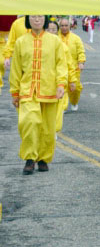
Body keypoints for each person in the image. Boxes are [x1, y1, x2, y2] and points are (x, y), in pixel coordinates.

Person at [9, 15, 67, 174]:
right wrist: (15, 91)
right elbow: (16, 68)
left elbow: (61, 64)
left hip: (49, 90)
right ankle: (30, 158)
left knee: (47, 129)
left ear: (45, 19)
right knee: (29, 123)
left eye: (40, 16)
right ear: (28, 19)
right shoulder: (21, 42)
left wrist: (61, 84)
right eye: (33, 17)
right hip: (27, 91)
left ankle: (43, 159)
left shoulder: (55, 41)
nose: (37, 20)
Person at [47, 21, 77, 133]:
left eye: (54, 29)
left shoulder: (63, 47)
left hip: (59, 83)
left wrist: (72, 80)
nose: (51, 31)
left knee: (59, 108)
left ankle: (54, 130)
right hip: (45, 84)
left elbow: (69, 65)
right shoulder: (40, 46)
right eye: (49, 29)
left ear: (57, 31)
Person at [58, 18, 85, 112]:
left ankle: (74, 102)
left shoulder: (76, 38)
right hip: (60, 68)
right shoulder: (55, 38)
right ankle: (63, 107)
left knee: (76, 89)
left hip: (74, 68)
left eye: (66, 25)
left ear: (70, 26)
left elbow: (81, 51)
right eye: (62, 26)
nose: (64, 27)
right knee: (62, 87)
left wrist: (81, 62)